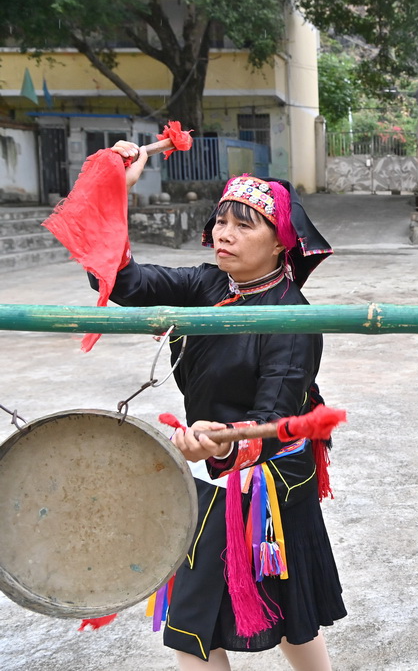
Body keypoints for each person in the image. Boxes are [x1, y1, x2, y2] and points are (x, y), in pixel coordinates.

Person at [93, 141, 346, 671]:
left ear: (281, 244)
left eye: (244, 225)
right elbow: (125, 280)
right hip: (213, 465)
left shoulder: (292, 317)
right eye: (221, 222)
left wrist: (216, 441)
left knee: (291, 620)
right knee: (194, 626)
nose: (224, 234)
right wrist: (117, 189)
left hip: (271, 480)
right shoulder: (208, 284)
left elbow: (271, 419)